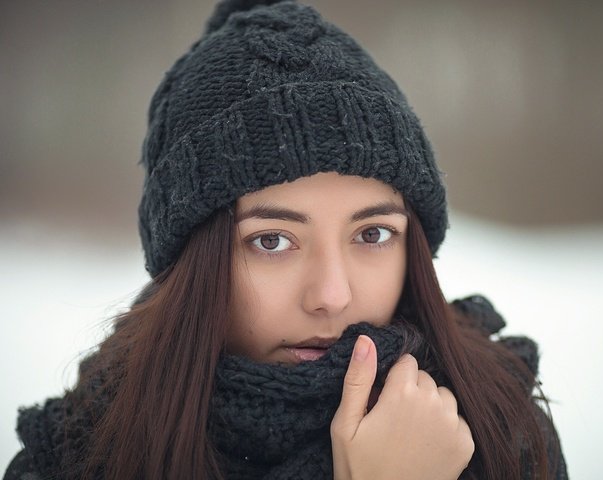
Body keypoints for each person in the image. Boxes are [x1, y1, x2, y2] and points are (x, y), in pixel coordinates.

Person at [4, 0, 568, 479]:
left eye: (372, 233)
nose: (331, 296)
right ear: (190, 259)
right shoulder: (83, 453)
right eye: (272, 241)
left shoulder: (497, 433)